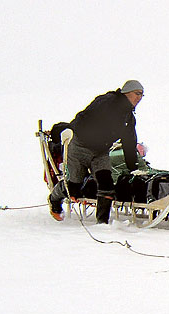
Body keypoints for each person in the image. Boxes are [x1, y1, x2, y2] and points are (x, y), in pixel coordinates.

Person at [48, 80, 144, 223]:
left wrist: (133, 168)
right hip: (81, 146)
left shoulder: (128, 118)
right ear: (126, 92)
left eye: (142, 95)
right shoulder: (107, 101)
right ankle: (54, 199)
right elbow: (83, 116)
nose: (139, 98)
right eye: (137, 93)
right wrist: (72, 130)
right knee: (74, 187)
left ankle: (102, 223)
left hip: (101, 151)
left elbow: (129, 143)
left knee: (106, 184)